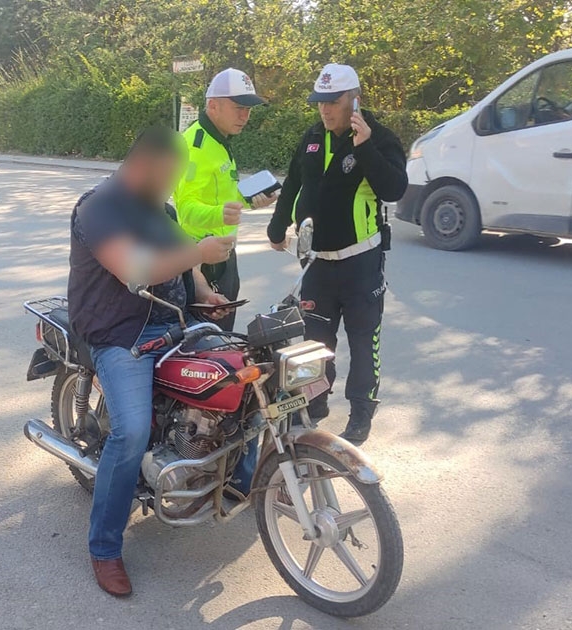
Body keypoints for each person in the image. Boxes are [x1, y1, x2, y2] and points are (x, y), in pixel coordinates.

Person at [68, 126, 235, 597]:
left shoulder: (159, 206)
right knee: (132, 431)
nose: (172, 186)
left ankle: (228, 479)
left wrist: (204, 291)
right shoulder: (98, 208)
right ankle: (104, 547)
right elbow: (136, 269)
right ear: (143, 165)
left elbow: (183, 258)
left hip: (173, 321)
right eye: (169, 176)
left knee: (237, 379)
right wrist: (198, 250)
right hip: (121, 332)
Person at [266, 63, 407, 445]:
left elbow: (394, 188)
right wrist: (277, 228)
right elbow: (294, 183)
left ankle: (361, 413)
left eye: (333, 101)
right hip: (316, 264)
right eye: (320, 102)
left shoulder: (380, 138)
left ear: (354, 99)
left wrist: (365, 148)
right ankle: (315, 402)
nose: (324, 109)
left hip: (361, 264)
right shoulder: (313, 136)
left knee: (363, 341)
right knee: (315, 342)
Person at [173, 68, 277, 332]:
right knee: (207, 343)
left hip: (224, 255)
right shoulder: (195, 146)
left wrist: (250, 200)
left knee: (224, 338)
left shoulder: (219, 140)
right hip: (201, 261)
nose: (245, 116)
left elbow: (223, 195)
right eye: (239, 108)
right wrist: (220, 213)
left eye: (249, 109)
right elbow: (185, 209)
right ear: (213, 105)